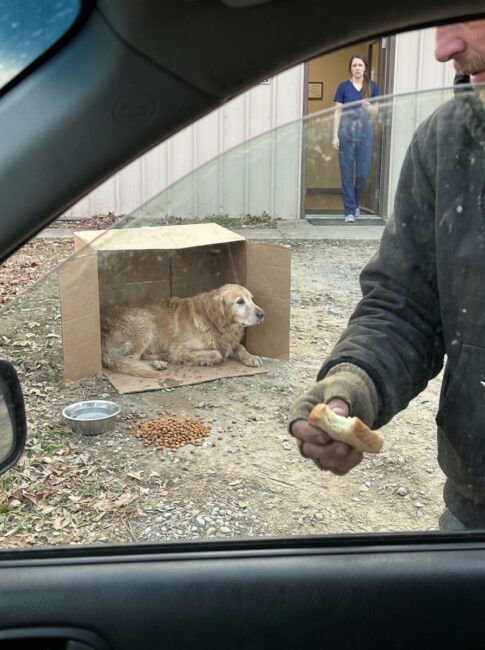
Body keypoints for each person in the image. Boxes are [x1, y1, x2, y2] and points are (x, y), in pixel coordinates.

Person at [289, 20, 485, 532]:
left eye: (469, 9)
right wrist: (353, 384)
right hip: (477, 508)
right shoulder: (446, 139)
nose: (443, 48)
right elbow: (407, 305)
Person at [332, 54, 380, 223]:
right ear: (350, 68)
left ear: (365, 68)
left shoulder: (372, 87)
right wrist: (335, 135)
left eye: (360, 65)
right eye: (354, 65)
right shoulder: (343, 87)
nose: (357, 68)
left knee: (363, 174)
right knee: (346, 174)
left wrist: (369, 106)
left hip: (365, 135)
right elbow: (337, 112)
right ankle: (349, 211)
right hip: (345, 135)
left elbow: (377, 112)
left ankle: (356, 203)